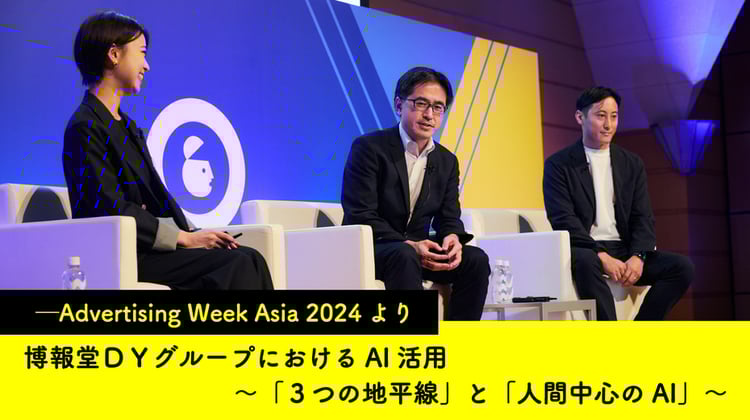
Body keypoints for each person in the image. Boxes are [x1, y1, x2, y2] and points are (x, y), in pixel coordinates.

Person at [63, 11, 273, 290]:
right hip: (125, 253)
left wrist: (192, 232)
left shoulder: (127, 126)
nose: (146, 65)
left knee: (252, 257)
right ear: (114, 55)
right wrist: (182, 239)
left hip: (148, 247)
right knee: (236, 264)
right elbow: (109, 208)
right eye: (141, 53)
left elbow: (155, 197)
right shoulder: (86, 126)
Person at [341, 67, 489, 320]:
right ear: (399, 105)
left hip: (419, 252)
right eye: (421, 104)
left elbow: (449, 216)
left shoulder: (446, 161)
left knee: (475, 259)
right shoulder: (369, 148)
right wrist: (410, 244)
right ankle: (414, 340)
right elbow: (360, 213)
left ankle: (462, 340)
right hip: (376, 248)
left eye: (438, 107)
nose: (429, 115)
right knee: (404, 254)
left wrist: (452, 237)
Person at [543, 86, 693, 320]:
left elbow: (643, 217)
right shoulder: (558, 165)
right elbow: (563, 219)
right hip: (586, 248)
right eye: (601, 116)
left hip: (624, 248)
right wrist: (601, 255)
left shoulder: (631, 163)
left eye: (614, 116)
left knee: (682, 267)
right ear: (580, 117)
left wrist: (639, 256)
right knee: (585, 262)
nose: (608, 125)